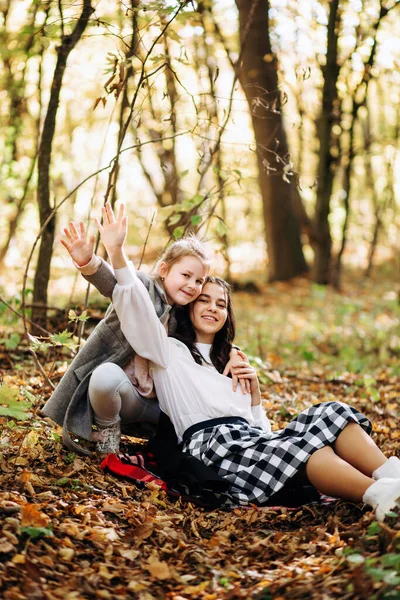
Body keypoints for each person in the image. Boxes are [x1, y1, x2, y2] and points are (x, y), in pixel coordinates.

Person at [98, 203, 400, 521]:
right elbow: (138, 311)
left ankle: (391, 476)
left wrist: (254, 394)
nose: (213, 308)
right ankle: (379, 497)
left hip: (253, 442)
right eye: (204, 300)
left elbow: (261, 430)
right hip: (212, 446)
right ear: (189, 307)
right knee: (307, 450)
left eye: (221, 303)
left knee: (332, 412)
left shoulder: (233, 359)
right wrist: (116, 254)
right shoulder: (169, 351)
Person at [43, 203, 210, 455]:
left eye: (199, 280)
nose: (192, 285)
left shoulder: (184, 316)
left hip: (157, 404)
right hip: (123, 392)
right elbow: (113, 283)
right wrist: (89, 262)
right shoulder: (142, 286)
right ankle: (107, 429)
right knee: (105, 376)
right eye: (186, 275)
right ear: (164, 270)